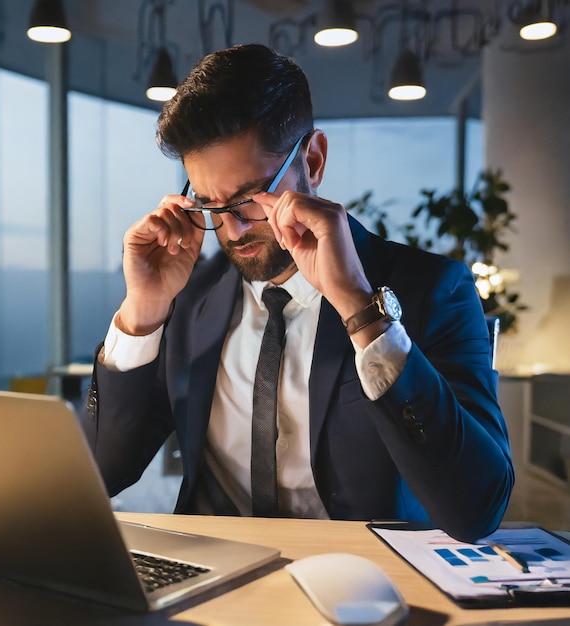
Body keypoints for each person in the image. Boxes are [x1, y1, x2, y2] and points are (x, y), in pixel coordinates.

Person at [81, 43, 513, 542]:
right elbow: (102, 473)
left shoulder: (432, 291)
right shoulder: (188, 299)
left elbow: (478, 508)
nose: (234, 229)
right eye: (209, 204)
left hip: (362, 585)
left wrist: (360, 308)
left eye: (248, 199)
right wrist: (143, 311)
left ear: (313, 158)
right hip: (210, 583)